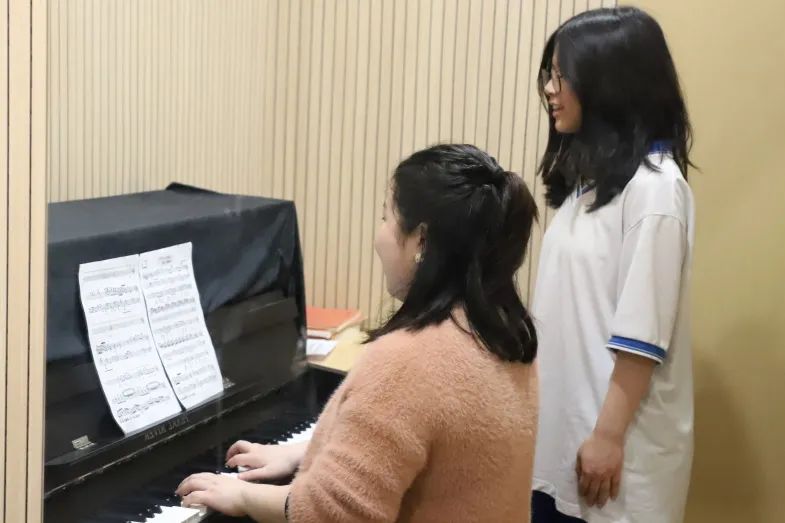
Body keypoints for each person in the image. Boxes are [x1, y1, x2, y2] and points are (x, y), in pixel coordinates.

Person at [177, 143, 540, 522]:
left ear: (421, 240)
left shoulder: (408, 362)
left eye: (386, 217)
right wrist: (307, 451)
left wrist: (242, 495)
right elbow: (431, 449)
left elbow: (330, 513)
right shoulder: (505, 334)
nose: (379, 236)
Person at [530, 7, 695, 523]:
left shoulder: (656, 189)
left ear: (609, 81)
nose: (550, 89)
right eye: (550, 75)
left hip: (616, 461)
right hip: (563, 440)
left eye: (563, 75)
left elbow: (642, 336)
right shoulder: (591, 186)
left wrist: (606, 437)